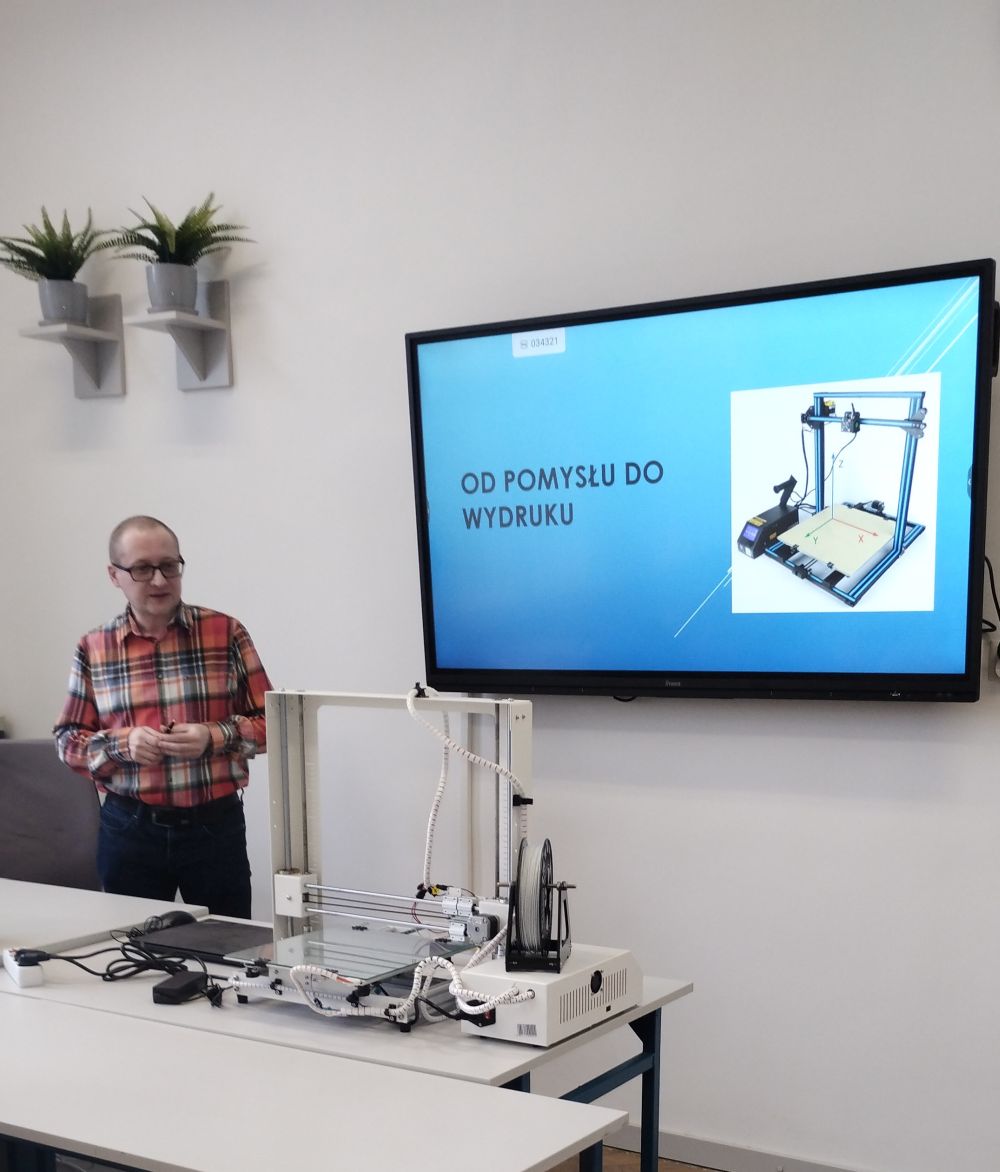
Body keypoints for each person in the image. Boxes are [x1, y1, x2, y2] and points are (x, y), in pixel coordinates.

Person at [54, 515, 272, 918]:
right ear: (114, 575)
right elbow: (68, 742)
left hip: (215, 826)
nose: (159, 580)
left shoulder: (226, 633)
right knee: (132, 945)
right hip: (129, 827)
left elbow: (275, 726)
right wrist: (123, 745)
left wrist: (214, 737)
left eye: (169, 566)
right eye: (142, 568)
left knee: (228, 945)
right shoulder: (94, 647)